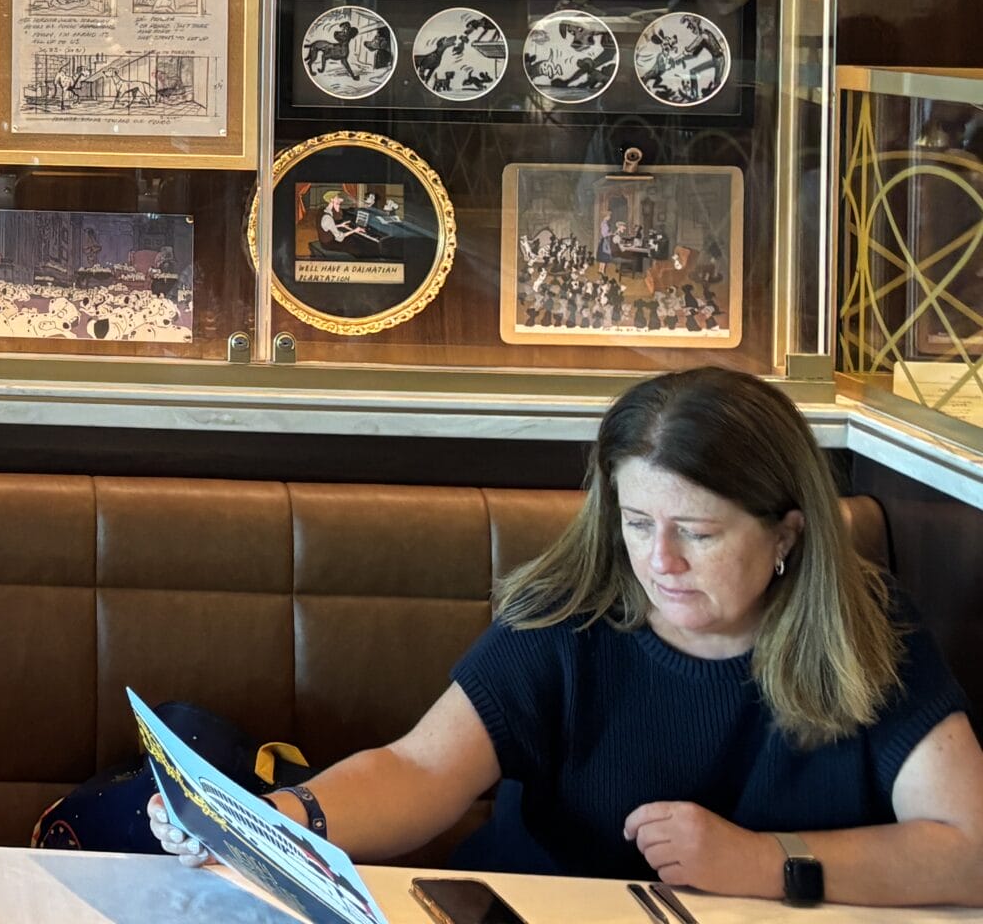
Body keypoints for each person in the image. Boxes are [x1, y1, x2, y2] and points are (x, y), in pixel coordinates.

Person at [148, 367, 983, 905]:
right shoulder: (570, 615)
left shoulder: (871, 630)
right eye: (638, 522)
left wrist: (768, 863)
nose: (659, 561)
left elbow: (969, 848)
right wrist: (274, 819)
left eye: (698, 532)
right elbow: (420, 769)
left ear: (787, 535)